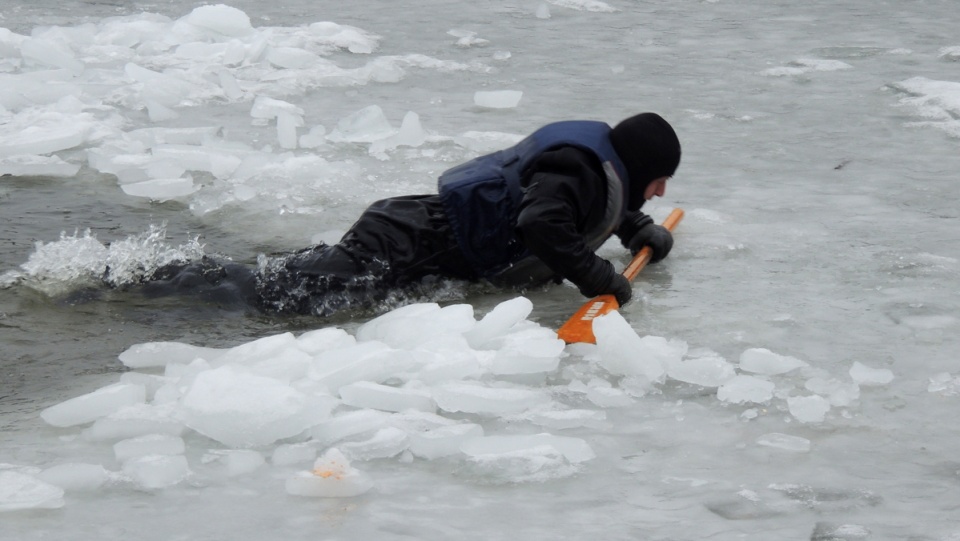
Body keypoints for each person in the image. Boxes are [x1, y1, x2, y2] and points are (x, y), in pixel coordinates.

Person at [143, 112, 681, 316]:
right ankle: (142, 283)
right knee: (272, 297)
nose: (657, 192)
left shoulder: (588, 173)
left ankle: (169, 277)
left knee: (287, 282)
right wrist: (598, 276)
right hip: (408, 238)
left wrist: (636, 228)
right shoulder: (578, 168)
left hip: (416, 233)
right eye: (659, 180)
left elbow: (580, 210)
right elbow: (541, 223)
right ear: (639, 166)